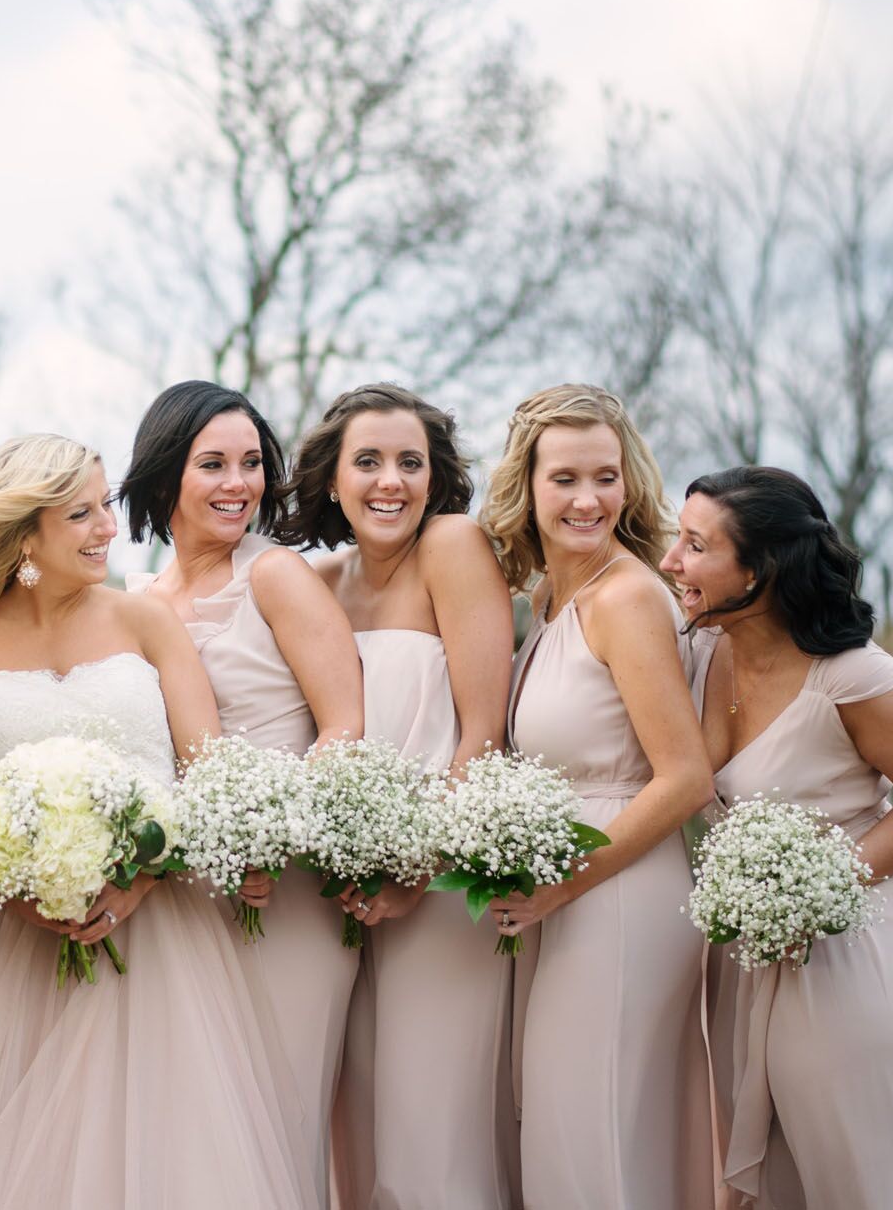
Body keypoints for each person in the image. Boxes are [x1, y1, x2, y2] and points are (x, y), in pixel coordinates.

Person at [0, 434, 313, 1210]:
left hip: (161, 933)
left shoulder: (146, 622)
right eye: (81, 514)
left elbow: (207, 771)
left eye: (104, 507)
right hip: (18, 941)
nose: (106, 529)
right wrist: (21, 892)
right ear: (26, 532)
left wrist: (140, 880)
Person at [662, 466, 893, 1209]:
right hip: (748, 954)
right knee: (777, 1175)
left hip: (852, 945)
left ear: (760, 568)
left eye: (696, 544)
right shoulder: (703, 655)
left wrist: (820, 888)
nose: (672, 560)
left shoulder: (853, 676)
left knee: (862, 1165)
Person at [117, 379, 362, 1203]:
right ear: (163, 481)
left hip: (285, 891)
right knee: (198, 1134)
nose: (239, 483)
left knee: (281, 1115)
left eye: (252, 463)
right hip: (185, 900)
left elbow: (343, 725)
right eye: (213, 463)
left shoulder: (277, 576)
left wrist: (267, 836)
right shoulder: (139, 602)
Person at [282, 384, 519, 1210]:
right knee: (357, 1133)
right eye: (369, 461)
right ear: (334, 479)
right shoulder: (316, 579)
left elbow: (482, 730)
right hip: (337, 889)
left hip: (441, 885)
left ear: (436, 476)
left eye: (410, 462)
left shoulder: (451, 546)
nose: (391, 481)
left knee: (428, 1142)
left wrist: (422, 866)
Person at [479, 384, 716, 1209]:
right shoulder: (545, 602)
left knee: (593, 1130)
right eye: (565, 478)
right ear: (527, 487)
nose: (588, 499)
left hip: (620, 894)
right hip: (563, 893)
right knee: (565, 1128)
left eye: (606, 476)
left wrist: (564, 882)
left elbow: (685, 775)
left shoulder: (627, 597)